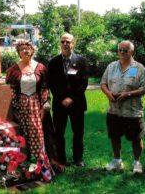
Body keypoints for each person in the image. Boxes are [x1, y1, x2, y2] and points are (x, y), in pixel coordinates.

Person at [6, 40, 61, 181]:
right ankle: (26, 168)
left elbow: (44, 89)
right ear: (18, 52)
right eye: (22, 49)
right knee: (24, 136)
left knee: (38, 134)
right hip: (22, 105)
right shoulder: (14, 69)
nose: (25, 51)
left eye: (27, 48)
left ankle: (43, 167)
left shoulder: (40, 67)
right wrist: (16, 109)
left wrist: (44, 106)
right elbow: (12, 91)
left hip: (36, 105)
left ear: (32, 50)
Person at [101, 40, 145, 174]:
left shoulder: (139, 68)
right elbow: (103, 83)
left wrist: (128, 94)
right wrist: (108, 93)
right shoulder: (111, 66)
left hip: (132, 111)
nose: (122, 52)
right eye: (120, 50)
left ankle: (137, 163)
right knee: (114, 136)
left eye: (125, 50)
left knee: (136, 138)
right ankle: (117, 161)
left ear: (132, 52)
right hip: (114, 110)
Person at [47, 33, 89, 167]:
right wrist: (62, 98)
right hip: (59, 104)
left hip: (77, 103)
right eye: (62, 42)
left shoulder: (81, 61)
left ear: (73, 44)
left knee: (78, 133)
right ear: (60, 44)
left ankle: (78, 159)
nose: (65, 44)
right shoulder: (53, 62)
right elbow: (51, 83)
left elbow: (83, 83)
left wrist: (71, 98)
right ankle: (61, 159)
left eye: (68, 42)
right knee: (59, 133)